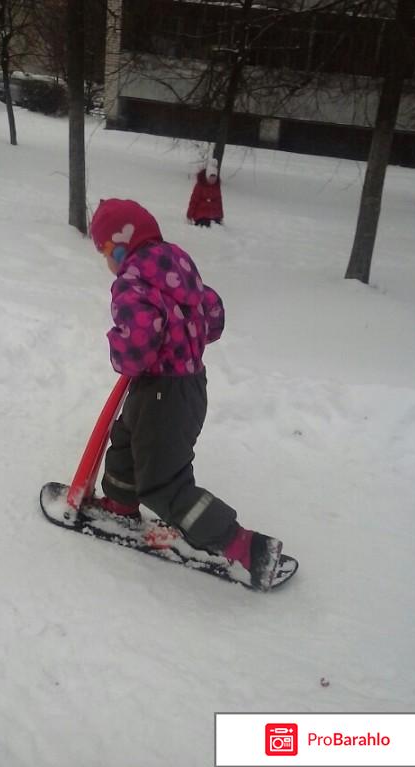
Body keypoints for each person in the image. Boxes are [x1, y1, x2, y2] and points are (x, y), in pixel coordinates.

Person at [89, 198, 282, 590]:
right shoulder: (177, 266)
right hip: (188, 385)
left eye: (105, 252)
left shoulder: (131, 283)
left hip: (163, 394)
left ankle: (242, 545)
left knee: (164, 484)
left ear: (120, 247)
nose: (107, 262)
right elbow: (213, 314)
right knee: (127, 438)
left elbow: (139, 342)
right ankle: (121, 504)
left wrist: (119, 345)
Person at [186, 157, 224, 227]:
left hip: (214, 212)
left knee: (216, 224)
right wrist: (189, 215)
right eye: (211, 178)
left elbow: (219, 201)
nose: (212, 180)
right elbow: (194, 200)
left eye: (214, 178)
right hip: (201, 211)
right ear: (207, 176)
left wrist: (221, 216)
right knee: (205, 223)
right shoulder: (200, 185)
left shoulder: (216, 187)